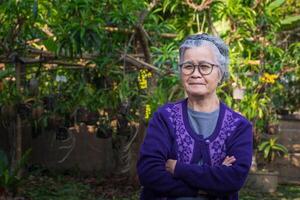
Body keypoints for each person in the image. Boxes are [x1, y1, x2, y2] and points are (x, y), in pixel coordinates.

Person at [136, 33, 253, 200]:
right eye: (188, 66)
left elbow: (233, 179)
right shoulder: (165, 118)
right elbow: (149, 173)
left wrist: (177, 168)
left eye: (205, 66)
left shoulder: (238, 126)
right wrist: (204, 188)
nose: (195, 74)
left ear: (220, 73)